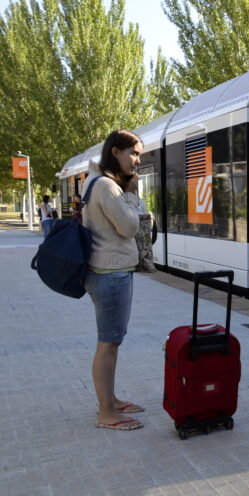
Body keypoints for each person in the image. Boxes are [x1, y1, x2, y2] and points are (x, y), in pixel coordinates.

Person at [81, 129, 144, 431]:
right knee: (108, 343)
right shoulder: (107, 186)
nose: (137, 160)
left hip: (108, 273)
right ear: (115, 152)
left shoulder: (97, 182)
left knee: (112, 341)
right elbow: (130, 228)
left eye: (139, 154)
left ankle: (111, 400)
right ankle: (106, 412)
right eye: (133, 153)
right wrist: (131, 194)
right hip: (110, 274)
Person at [134, 193, 156, 273]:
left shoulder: (140, 202)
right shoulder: (141, 202)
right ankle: (146, 263)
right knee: (144, 247)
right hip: (143, 232)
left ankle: (143, 264)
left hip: (138, 232)